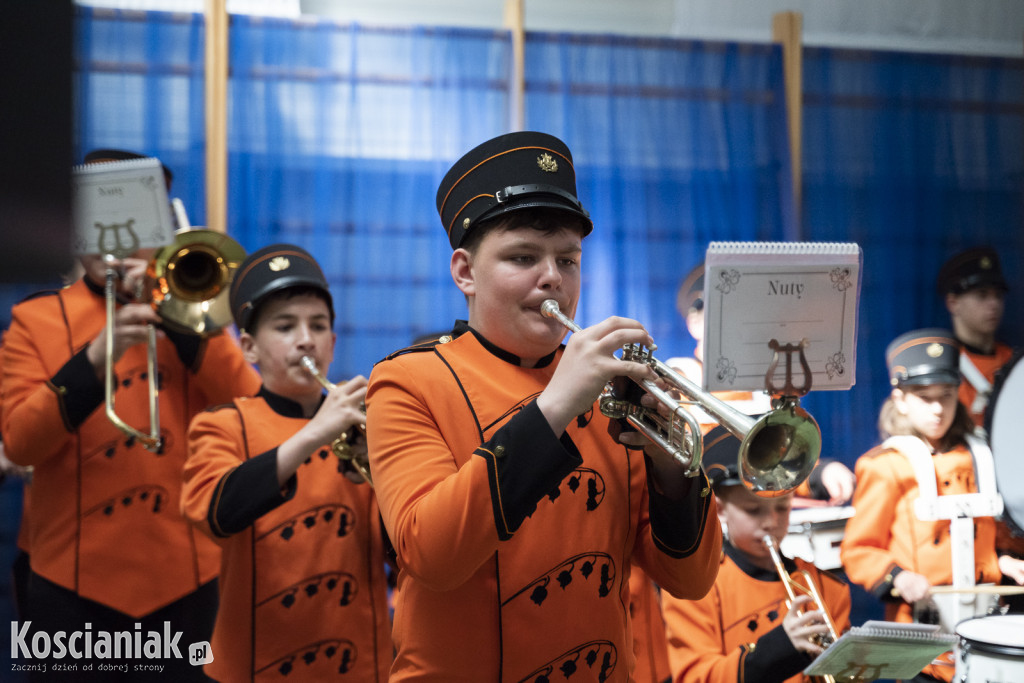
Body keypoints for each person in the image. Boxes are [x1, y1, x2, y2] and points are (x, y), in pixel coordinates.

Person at [365, 131, 722, 682]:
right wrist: (555, 405)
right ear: (464, 272)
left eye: (567, 259)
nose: (553, 276)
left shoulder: (614, 392)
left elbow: (690, 582)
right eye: (523, 256)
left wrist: (672, 470)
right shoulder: (408, 380)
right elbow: (431, 556)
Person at [0, 149, 261, 680]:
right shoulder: (36, 319)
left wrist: (186, 323)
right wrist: (97, 356)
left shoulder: (193, 312)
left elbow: (250, 407)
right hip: (69, 583)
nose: (112, 238)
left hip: (188, 579)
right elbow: (20, 446)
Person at [180, 244, 392, 681]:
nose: (305, 339)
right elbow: (216, 513)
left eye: (318, 326)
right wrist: (315, 432)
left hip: (360, 661)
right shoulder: (222, 423)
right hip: (256, 662)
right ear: (249, 348)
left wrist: (381, 472)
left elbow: (405, 547)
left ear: (333, 343)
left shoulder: (366, 425)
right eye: (285, 326)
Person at [839, 328, 1024, 682]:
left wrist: (1001, 561)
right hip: (921, 637)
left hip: (981, 623)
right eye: (924, 397)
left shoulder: (979, 457)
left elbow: (978, 537)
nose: (938, 408)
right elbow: (858, 549)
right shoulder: (885, 465)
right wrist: (898, 576)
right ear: (901, 399)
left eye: (947, 395)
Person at [661, 425, 852, 683]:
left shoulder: (825, 585)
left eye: (782, 508)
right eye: (753, 510)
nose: (771, 522)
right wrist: (779, 648)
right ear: (720, 510)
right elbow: (694, 677)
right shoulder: (696, 589)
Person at [667, 262, 856, 506]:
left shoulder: (765, 386)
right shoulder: (678, 378)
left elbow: (776, 463)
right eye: (723, 314)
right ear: (695, 324)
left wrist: (820, 473)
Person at [936, 246, 1013, 428]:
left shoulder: (1014, 361)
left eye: (998, 296)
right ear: (953, 303)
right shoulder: (941, 364)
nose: (994, 304)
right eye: (982, 295)